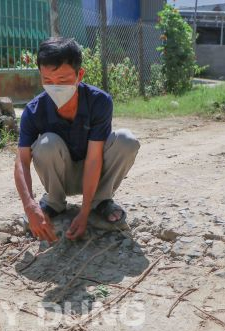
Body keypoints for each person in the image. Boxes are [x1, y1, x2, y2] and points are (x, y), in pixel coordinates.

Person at [14, 37, 139, 243]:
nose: (55, 87)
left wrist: (85, 211)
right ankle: (54, 202)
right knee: (46, 144)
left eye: (62, 80)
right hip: (61, 177)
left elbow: (93, 158)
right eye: (48, 80)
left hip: (95, 172)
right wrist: (29, 206)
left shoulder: (99, 101)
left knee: (126, 140)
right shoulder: (33, 110)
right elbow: (22, 161)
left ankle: (100, 201)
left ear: (79, 75)